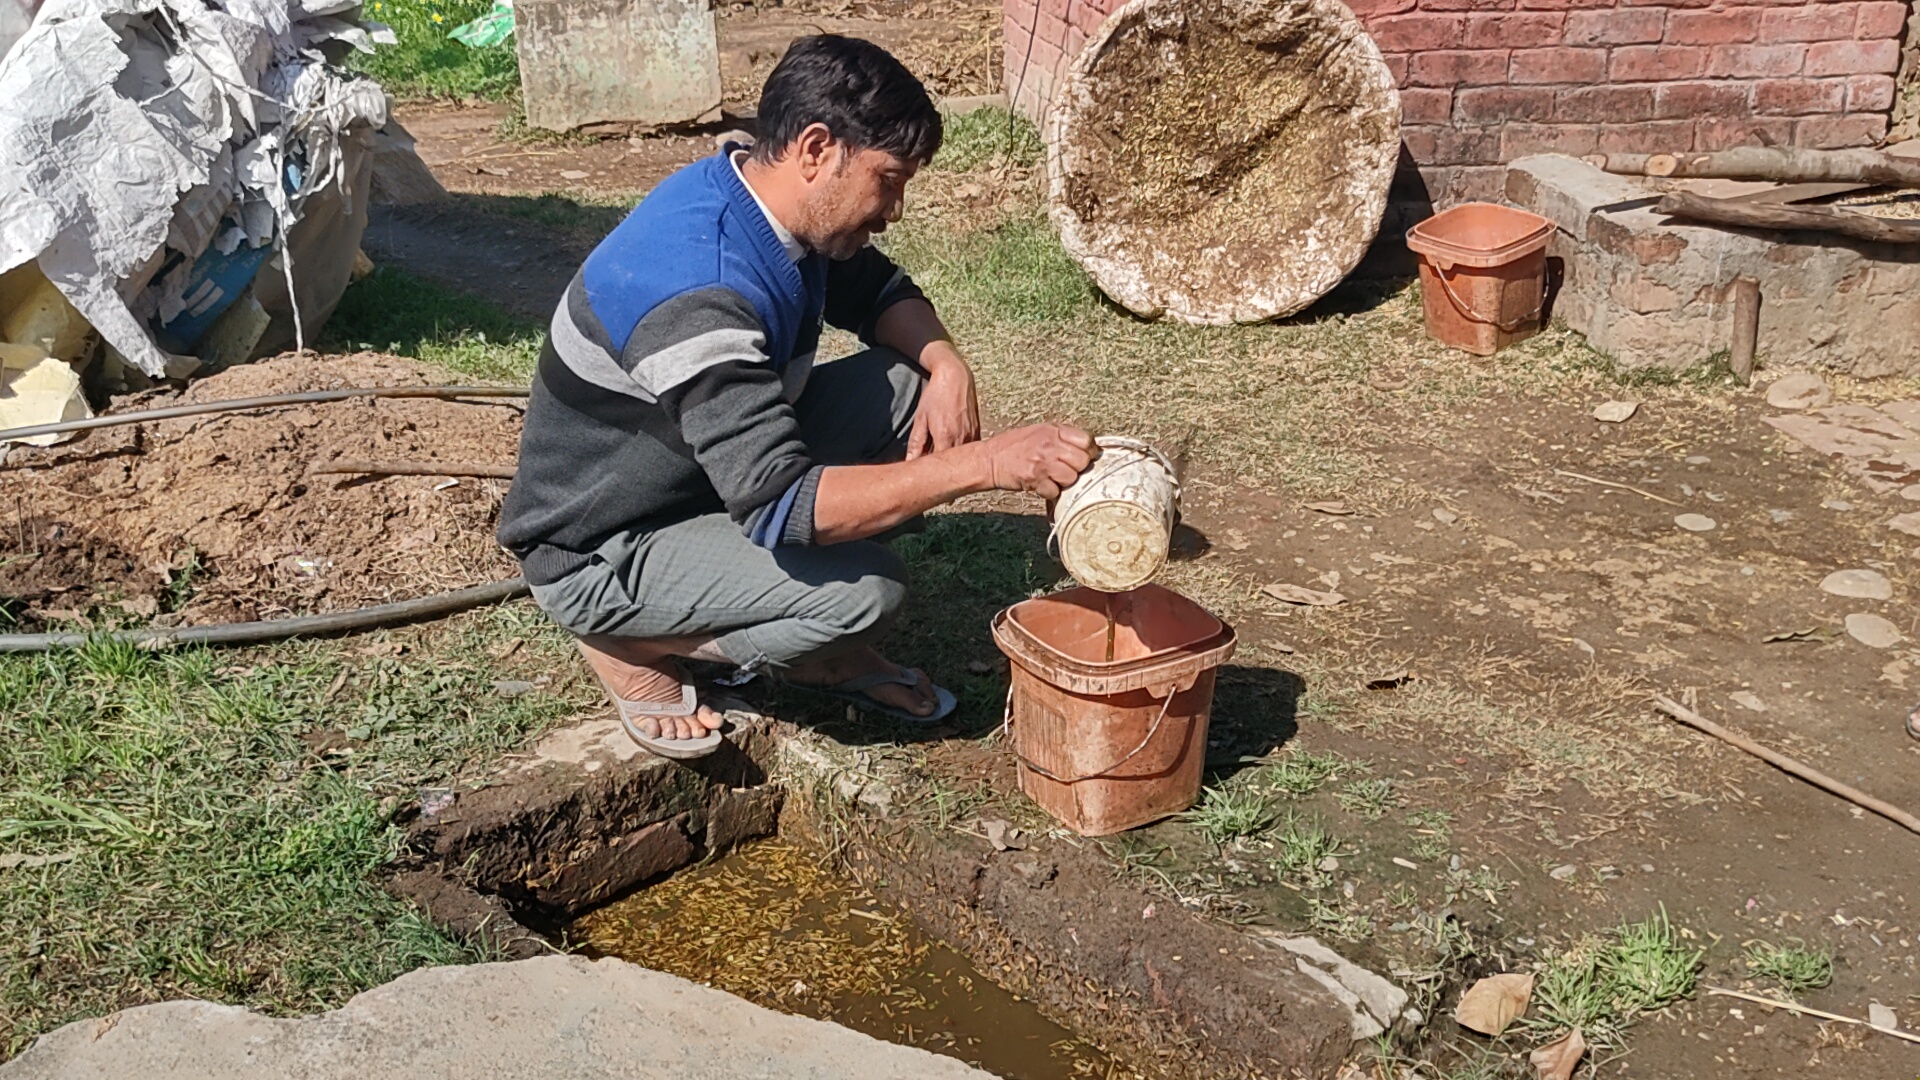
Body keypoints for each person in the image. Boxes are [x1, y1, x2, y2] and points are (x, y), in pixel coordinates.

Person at [497, 35, 1096, 759]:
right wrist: (991, 465)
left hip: (692, 478)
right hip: (602, 545)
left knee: (908, 387)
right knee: (860, 595)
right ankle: (627, 638)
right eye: (889, 179)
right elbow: (784, 504)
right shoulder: (700, 289)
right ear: (817, 150)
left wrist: (948, 366)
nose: (895, 209)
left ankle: (770, 613)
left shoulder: (762, 202)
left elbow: (875, 290)